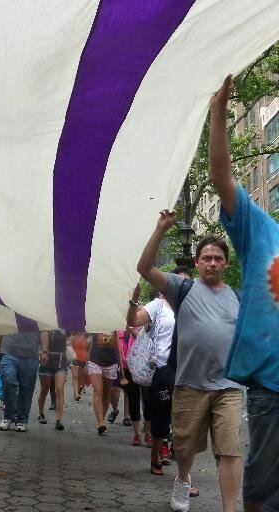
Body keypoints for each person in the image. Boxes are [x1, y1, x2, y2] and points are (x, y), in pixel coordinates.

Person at [138, 215, 242, 511]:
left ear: (225, 264)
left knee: (230, 451)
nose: (212, 262)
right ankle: (183, 478)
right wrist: (160, 228)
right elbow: (144, 268)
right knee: (184, 448)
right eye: (206, 258)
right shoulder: (181, 288)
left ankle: (229, 509)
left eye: (218, 258)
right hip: (189, 385)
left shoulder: (238, 297)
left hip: (229, 387)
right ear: (197, 263)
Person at [210, 75, 279, 512]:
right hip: (273, 384)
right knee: (265, 483)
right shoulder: (262, 231)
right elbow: (220, 175)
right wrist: (219, 111)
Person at [126, 286, 176, 476]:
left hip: (187, 368)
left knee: (184, 415)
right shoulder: (158, 306)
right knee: (161, 414)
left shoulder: (191, 305)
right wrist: (134, 300)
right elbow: (132, 321)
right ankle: (156, 451)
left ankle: (177, 450)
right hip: (161, 369)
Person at [0, 331, 46, 432]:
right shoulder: (7, 314)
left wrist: (44, 351)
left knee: (26, 389)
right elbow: (0, 327)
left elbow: (44, 330)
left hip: (30, 356)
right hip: (9, 353)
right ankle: (8, 415)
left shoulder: (38, 315)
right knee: (8, 379)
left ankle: (22, 420)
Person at [87, 331, 119, 435]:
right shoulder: (97, 323)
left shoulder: (116, 324)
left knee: (106, 392)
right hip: (95, 361)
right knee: (98, 390)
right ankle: (100, 423)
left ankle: (101, 419)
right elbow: (99, 341)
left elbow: (116, 345)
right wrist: (110, 339)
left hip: (111, 362)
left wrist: (110, 340)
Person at [37, 330, 68, 431]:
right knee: (44, 389)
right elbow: (39, 341)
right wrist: (42, 352)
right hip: (47, 361)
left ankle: (58, 420)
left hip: (61, 361)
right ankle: (41, 413)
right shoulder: (45, 323)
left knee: (59, 389)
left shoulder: (65, 326)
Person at [69, 331, 88, 401]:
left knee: (80, 377)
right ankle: (76, 394)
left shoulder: (85, 340)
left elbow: (87, 351)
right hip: (74, 358)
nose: (82, 332)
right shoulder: (72, 338)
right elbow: (68, 347)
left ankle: (76, 392)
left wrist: (87, 362)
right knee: (75, 376)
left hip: (83, 359)